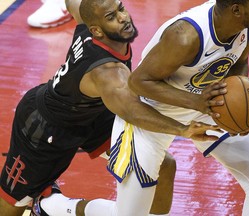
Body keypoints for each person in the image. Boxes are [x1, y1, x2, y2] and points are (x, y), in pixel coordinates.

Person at [0, 0, 226, 215]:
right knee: (12, 205)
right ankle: (49, 206)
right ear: (96, 30)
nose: (123, 18)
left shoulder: (89, 16)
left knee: (163, 165)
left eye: (121, 9)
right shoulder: (109, 74)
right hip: (45, 129)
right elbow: (133, 111)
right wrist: (183, 130)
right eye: (112, 17)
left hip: (95, 116)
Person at [96, 0, 249, 215]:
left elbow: (240, 60)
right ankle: (64, 206)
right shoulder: (185, 36)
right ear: (237, 10)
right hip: (150, 114)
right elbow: (138, 82)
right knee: (130, 213)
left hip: (206, 105)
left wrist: (238, 110)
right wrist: (197, 101)